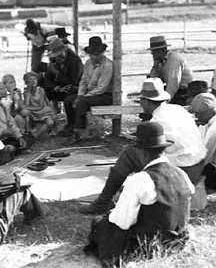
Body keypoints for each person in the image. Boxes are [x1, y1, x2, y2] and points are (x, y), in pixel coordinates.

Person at [80, 78, 205, 215]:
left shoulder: (158, 121)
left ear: (145, 101)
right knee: (136, 153)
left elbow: (155, 151)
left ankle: (103, 202)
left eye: (141, 100)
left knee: (129, 154)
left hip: (181, 169)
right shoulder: (177, 109)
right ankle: (119, 189)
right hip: (197, 164)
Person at [83, 122, 194, 268]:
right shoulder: (181, 173)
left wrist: (112, 212)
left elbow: (122, 222)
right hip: (178, 240)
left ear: (142, 152)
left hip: (149, 246)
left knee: (99, 222)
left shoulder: (141, 179)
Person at [62, 36, 113, 145]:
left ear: (102, 53)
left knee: (82, 102)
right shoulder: (88, 63)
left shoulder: (108, 65)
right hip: (91, 93)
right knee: (69, 100)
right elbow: (83, 81)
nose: (94, 56)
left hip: (105, 95)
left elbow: (101, 88)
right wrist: (80, 95)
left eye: (97, 54)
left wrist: (83, 97)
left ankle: (77, 133)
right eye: (92, 54)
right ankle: (71, 126)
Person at [43, 37, 83, 115]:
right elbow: (47, 78)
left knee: (70, 95)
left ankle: (71, 121)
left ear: (65, 51)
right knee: (43, 90)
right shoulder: (55, 60)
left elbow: (73, 81)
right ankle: (48, 115)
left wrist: (56, 72)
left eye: (60, 55)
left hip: (74, 88)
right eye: (56, 56)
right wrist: (56, 88)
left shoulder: (75, 61)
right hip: (59, 87)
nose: (58, 58)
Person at [148, 36, 193, 106]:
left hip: (183, 94)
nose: (152, 54)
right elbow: (153, 81)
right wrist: (155, 67)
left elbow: (174, 83)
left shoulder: (174, 60)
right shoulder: (161, 61)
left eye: (153, 52)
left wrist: (165, 102)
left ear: (160, 50)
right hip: (172, 92)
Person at [20, 71, 56, 139]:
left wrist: (27, 107)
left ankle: (35, 135)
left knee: (50, 123)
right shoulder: (26, 92)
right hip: (33, 112)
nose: (33, 81)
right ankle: (27, 131)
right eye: (30, 79)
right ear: (26, 82)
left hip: (43, 111)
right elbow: (27, 104)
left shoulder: (40, 90)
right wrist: (29, 91)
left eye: (34, 79)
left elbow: (40, 106)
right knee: (24, 112)